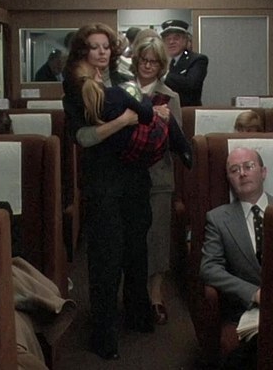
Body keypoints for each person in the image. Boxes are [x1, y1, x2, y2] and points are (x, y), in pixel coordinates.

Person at [61, 22, 154, 360]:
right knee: (106, 258)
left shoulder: (125, 78)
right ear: (83, 51)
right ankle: (104, 332)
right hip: (102, 181)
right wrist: (122, 121)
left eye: (106, 46)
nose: (102, 52)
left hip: (135, 176)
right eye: (94, 46)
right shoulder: (76, 87)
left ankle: (137, 314)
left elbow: (144, 115)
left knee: (136, 251)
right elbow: (83, 137)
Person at [199, 147, 273, 368]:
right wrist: (253, 293)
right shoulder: (218, 219)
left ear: (263, 172)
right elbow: (209, 268)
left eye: (249, 166)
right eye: (234, 170)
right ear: (229, 179)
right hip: (245, 310)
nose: (242, 173)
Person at [129, 34, 183, 325]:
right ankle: (132, 293)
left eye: (154, 62)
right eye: (143, 60)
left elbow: (176, 141)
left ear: (161, 66)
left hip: (158, 175)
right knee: (130, 237)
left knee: (158, 236)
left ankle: (156, 294)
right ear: (136, 61)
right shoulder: (122, 91)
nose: (148, 66)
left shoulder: (170, 97)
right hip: (126, 173)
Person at [71, 59, 191, 168]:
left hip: (118, 152)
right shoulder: (116, 92)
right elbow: (146, 114)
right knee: (166, 116)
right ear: (98, 73)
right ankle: (185, 150)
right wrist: (144, 98)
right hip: (137, 143)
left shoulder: (83, 105)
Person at [161, 19, 209, 107]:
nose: (171, 42)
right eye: (168, 39)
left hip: (187, 111)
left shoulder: (197, 60)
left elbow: (191, 84)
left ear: (185, 40)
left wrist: (164, 75)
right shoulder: (162, 61)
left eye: (176, 38)